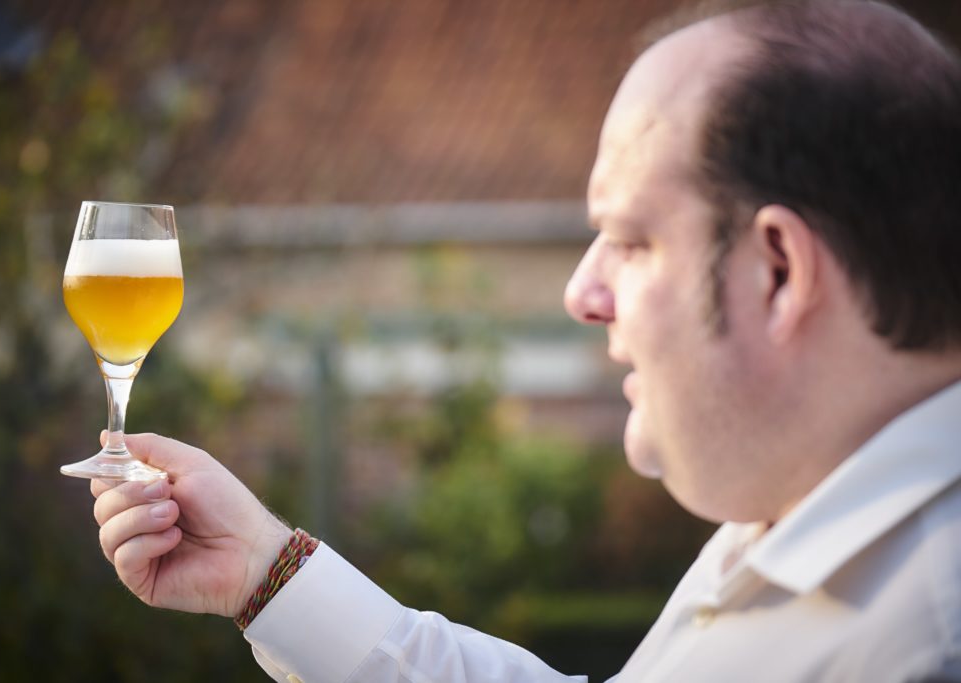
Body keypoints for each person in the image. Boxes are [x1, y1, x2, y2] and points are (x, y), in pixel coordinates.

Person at [88, 0, 961, 680]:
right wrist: (265, 571)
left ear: (777, 271)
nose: (582, 292)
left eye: (630, 239)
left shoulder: (918, 645)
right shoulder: (801, 530)